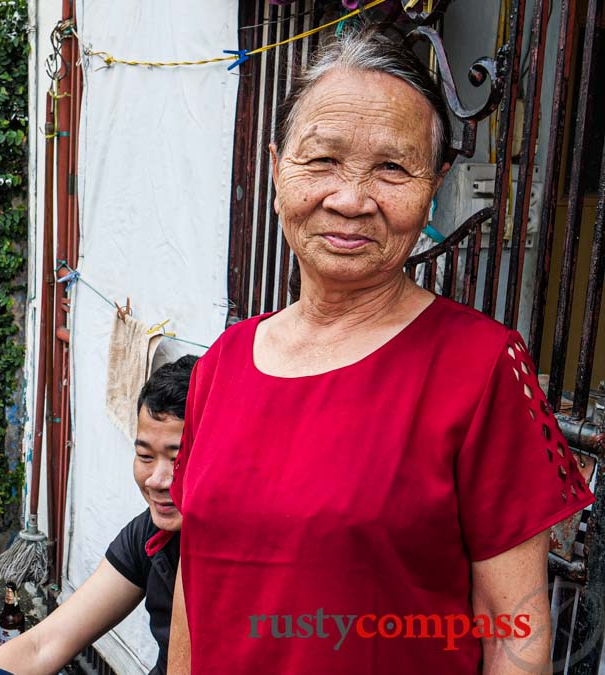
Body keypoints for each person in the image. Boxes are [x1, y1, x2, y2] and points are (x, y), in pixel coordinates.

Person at [167, 28, 594, 674]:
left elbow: (516, 634)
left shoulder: (481, 369)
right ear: (277, 167)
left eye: (392, 168)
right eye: (323, 161)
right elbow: (193, 589)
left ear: (436, 182)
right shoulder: (222, 364)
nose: (350, 199)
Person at [0, 355, 196, 675]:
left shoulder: (259, 557)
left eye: (178, 458)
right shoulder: (149, 535)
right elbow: (44, 645)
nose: (157, 480)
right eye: (145, 456)